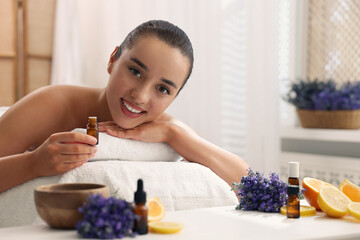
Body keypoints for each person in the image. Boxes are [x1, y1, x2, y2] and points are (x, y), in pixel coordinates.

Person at [0, 20, 248, 193]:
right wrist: (34, 163)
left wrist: (173, 133)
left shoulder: (166, 128)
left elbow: (248, 181)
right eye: (135, 71)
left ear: (174, 97)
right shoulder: (53, 104)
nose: (140, 96)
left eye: (163, 89)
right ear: (112, 60)